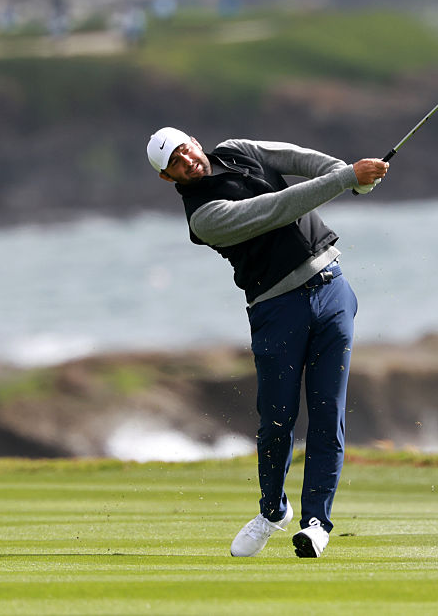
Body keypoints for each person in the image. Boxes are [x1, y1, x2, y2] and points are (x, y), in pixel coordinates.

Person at [146, 127, 389, 558]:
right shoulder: (203, 219)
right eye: (176, 165)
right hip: (277, 310)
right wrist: (347, 177)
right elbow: (276, 208)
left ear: (195, 143)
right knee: (277, 420)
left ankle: (316, 524)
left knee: (327, 412)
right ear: (169, 179)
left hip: (332, 288)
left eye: (186, 151)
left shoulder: (239, 150)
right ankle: (272, 510)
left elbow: (298, 158)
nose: (188, 162)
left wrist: (347, 175)